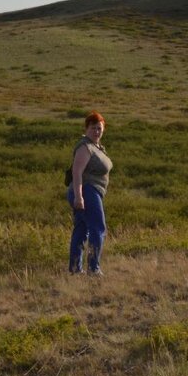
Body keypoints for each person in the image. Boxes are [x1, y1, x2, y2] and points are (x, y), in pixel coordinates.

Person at [68, 111, 113, 276]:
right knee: (98, 228)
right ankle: (93, 268)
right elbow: (77, 172)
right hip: (86, 190)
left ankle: (75, 269)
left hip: (92, 191)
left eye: (99, 128)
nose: (96, 131)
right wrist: (79, 197)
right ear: (86, 128)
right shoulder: (85, 147)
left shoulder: (97, 147)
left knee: (82, 229)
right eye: (93, 128)